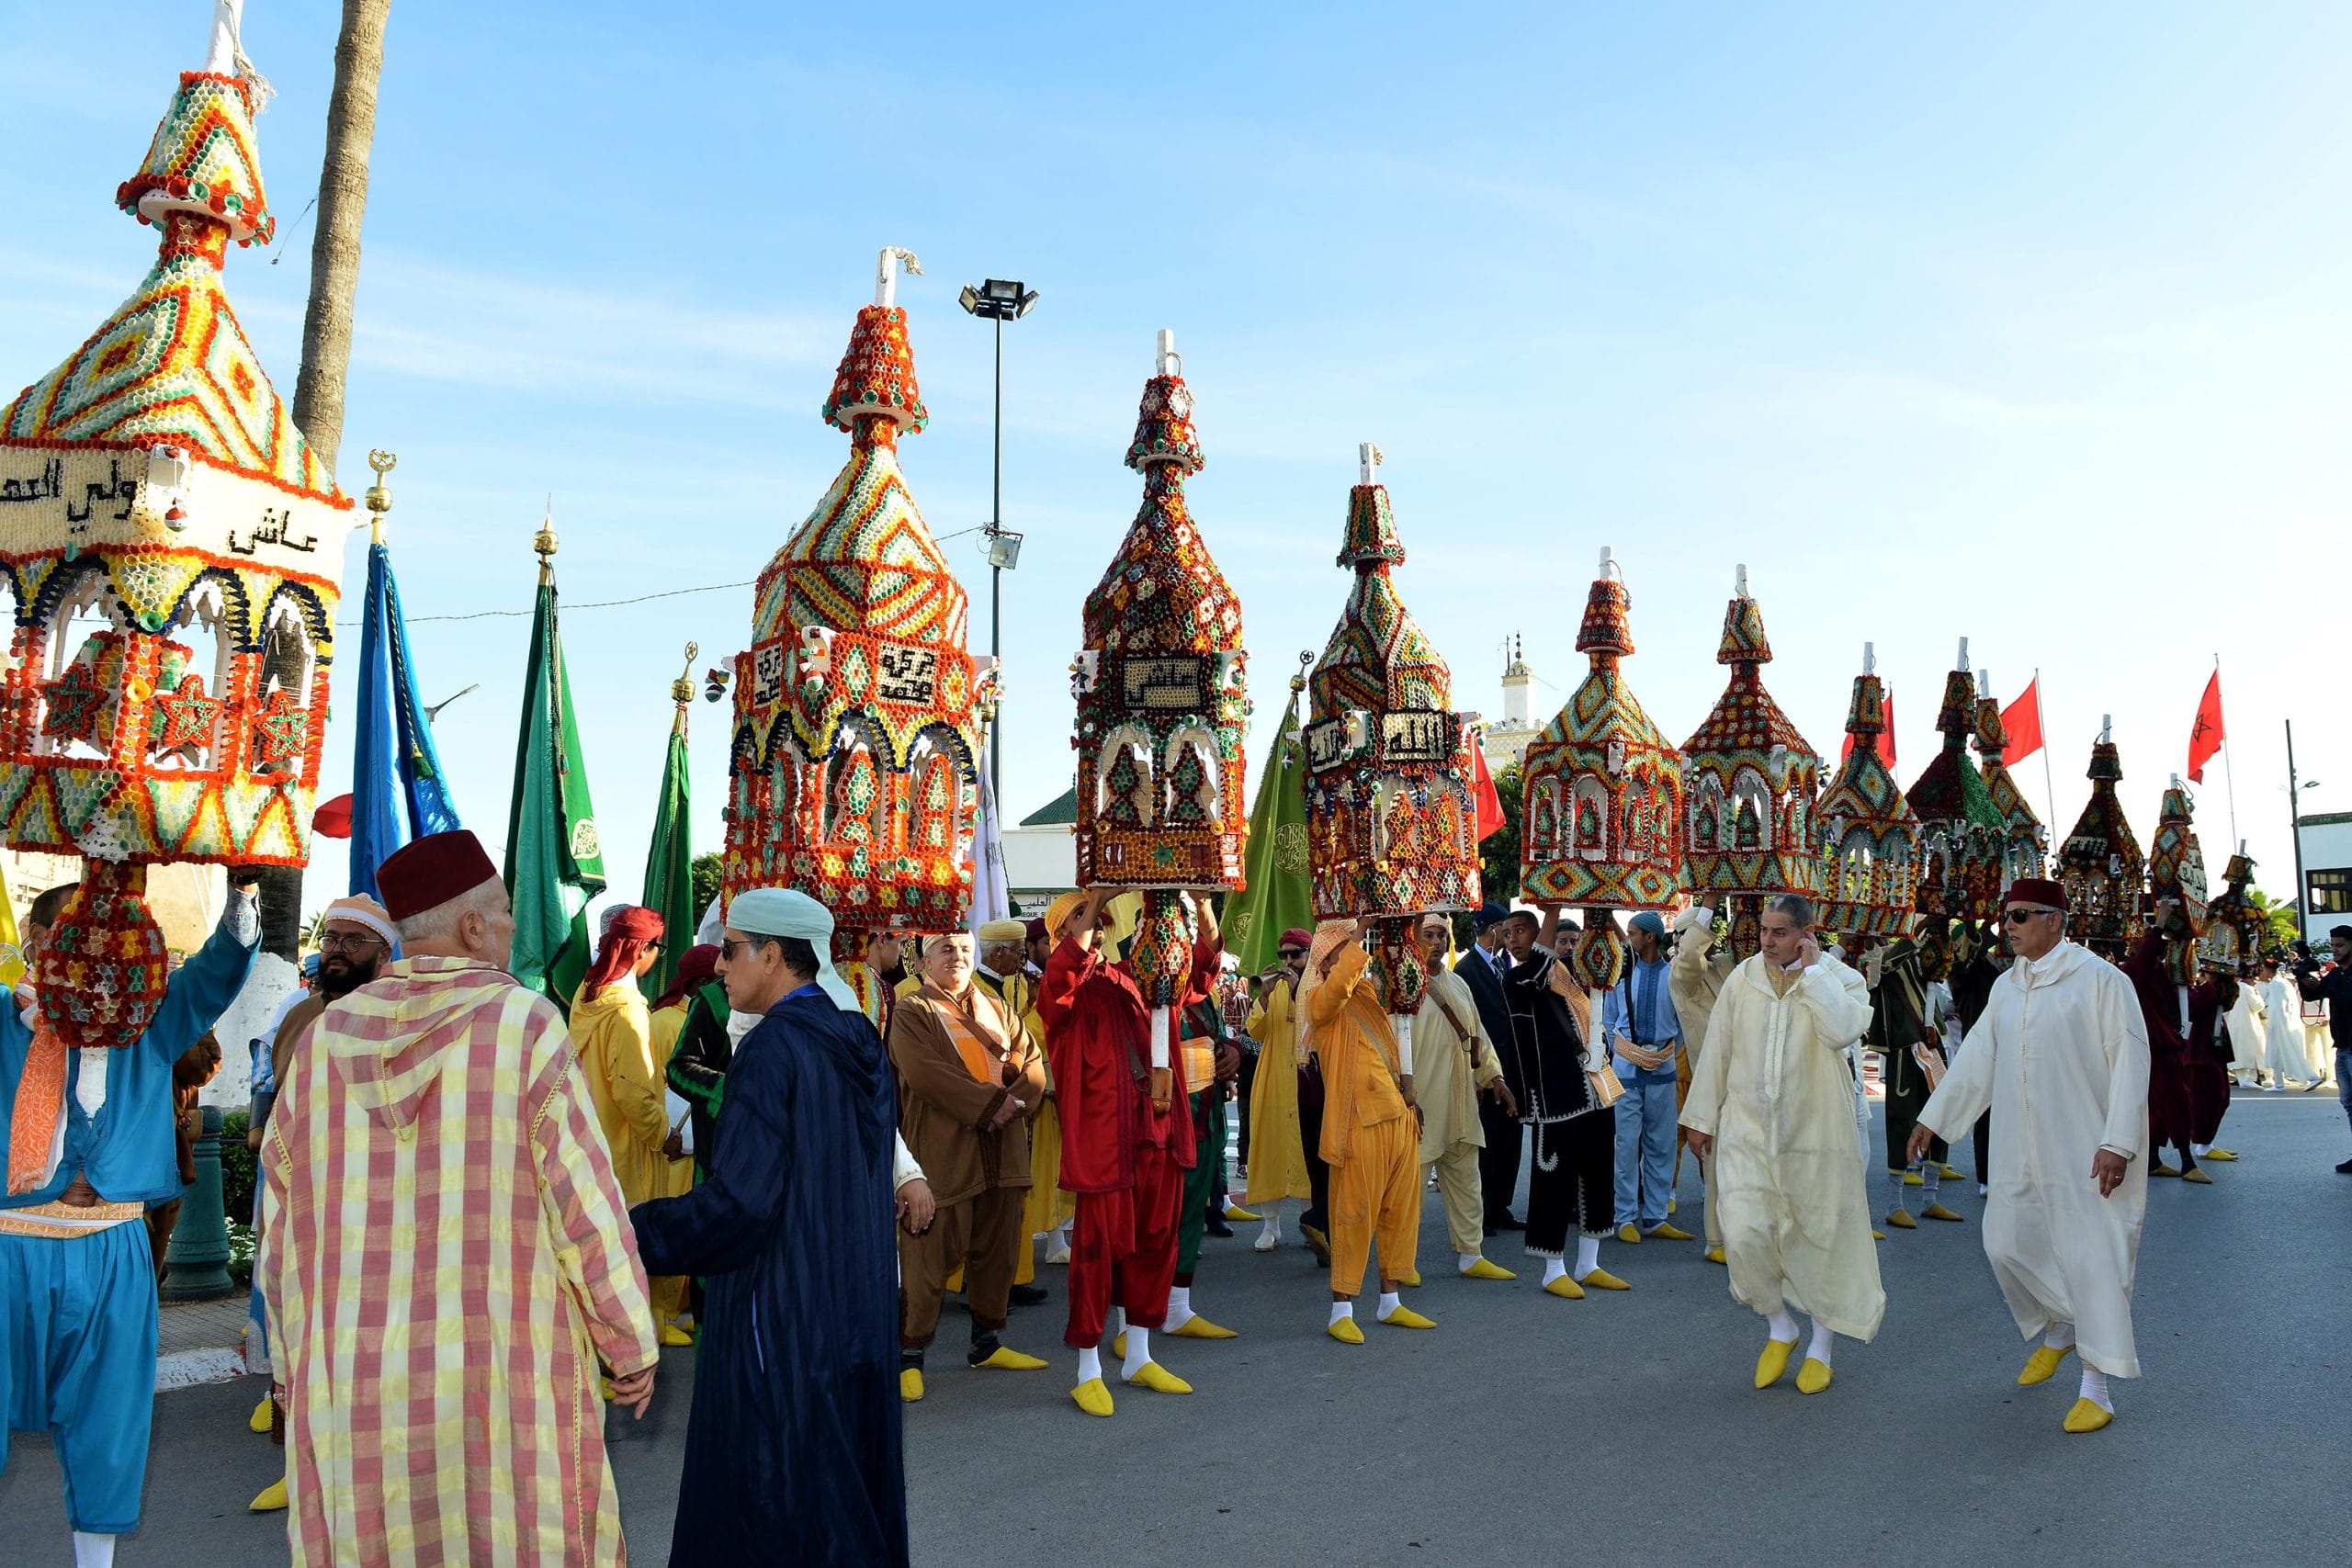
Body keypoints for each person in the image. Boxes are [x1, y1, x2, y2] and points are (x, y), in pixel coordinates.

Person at [258, 832, 658, 1565]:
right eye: (504, 913)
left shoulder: (322, 1043)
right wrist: (628, 1341)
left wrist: (289, 1369)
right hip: (503, 1381)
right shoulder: (524, 1026)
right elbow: (587, 1211)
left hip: (356, 1384)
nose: (511, 927)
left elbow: (277, 1230)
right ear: (473, 926)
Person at [632, 886, 910, 1563]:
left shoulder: (771, 1050)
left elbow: (740, 1207)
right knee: (843, 1500)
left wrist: (628, 1228)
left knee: (769, 1509)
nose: (721, 968)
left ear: (775, 954)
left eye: (731, 951)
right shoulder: (858, 1040)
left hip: (777, 1322)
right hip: (852, 1316)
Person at [3, 873, 259, 1568]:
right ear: (38, 949)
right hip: (10, 1252)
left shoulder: (151, 1022)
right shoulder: (4, 1017)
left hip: (113, 1251)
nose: (91, 963)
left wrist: (242, 899)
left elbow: (214, 973)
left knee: (110, 1419)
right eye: (69, 945)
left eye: (102, 947)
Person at [1911, 879, 2150, 1434]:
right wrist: (1933, 1118)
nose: (2008, 927)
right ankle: (2061, 1329)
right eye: (2006, 917)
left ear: (2055, 921)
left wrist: (2118, 1142)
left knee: (2092, 1263)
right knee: (2004, 1243)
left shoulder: (2101, 981)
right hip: (2019, 1148)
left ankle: (2097, 1388)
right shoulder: (2006, 988)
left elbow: (2131, 1065)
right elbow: (1975, 1060)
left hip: (2088, 1151)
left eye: (2020, 916)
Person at [1679, 894, 1881, 1395]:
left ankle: (1821, 1346)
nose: (1767, 941)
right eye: (1765, 931)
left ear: (1806, 935)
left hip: (1817, 1133)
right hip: (1747, 1131)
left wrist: (1814, 977)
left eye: (1780, 933)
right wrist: (1700, 1118)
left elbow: (1842, 1032)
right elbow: (1718, 1051)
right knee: (1744, 1232)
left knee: (1820, 1237)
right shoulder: (1742, 979)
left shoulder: (1842, 979)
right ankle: (1779, 1326)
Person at [1036, 887, 1219, 1416]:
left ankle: (1137, 1352)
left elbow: (1196, 980)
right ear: (1060, 935)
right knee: (1094, 1255)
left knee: (1155, 1243)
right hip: (1106, 1141)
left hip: (1159, 1131)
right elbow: (1060, 985)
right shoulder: (1063, 988)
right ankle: (1087, 1366)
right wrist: (1092, 902)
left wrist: (1202, 907)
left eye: (1101, 918)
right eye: (1083, 919)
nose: (1099, 924)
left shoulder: (1131, 978)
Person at [243, 895, 398, 1513]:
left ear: (384, 955)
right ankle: (301, 1469)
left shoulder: (397, 1018)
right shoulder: (300, 1013)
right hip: (296, 1206)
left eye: (352, 940)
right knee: (301, 1342)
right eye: (331, 937)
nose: (336, 948)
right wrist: (262, 1135)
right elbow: (267, 1087)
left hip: (370, 1218)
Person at [889, 929, 1052, 1398]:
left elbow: (1034, 1063)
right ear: (923, 961)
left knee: (998, 1249)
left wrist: (1013, 1102)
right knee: (927, 1254)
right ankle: (910, 1354)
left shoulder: (996, 1006)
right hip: (943, 1153)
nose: (957, 957)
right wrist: (990, 1105)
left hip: (1002, 1152)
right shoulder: (912, 1010)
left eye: (964, 949)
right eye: (945, 949)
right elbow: (925, 1073)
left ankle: (987, 1342)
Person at [1299, 919, 1435, 1339]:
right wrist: (1359, 933)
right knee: (1353, 1216)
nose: (1356, 953)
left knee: (1401, 1213)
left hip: (1397, 1114)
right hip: (1359, 1122)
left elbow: (1410, 974)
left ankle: (1390, 1300)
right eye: (1345, 948)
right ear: (1328, 958)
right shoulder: (1320, 1001)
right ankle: (1342, 1310)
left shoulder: (1372, 994)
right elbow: (1338, 986)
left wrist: (1408, 925)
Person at [572, 904, 696, 1347]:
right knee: (627, 1251)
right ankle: (621, 1353)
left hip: (591, 1138)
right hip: (627, 1151)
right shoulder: (626, 1011)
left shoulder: (586, 997)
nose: (659, 957)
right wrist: (666, 1136)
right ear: (640, 949)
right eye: (657, 948)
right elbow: (632, 1093)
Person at [1496, 908, 1627, 1297]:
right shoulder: (1516, 978)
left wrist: (1599, 910)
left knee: (1598, 1175)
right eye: (1507, 934)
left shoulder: (1572, 972)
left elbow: (1621, 957)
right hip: (1554, 1097)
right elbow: (1538, 965)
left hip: (1597, 1089)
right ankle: (1553, 1269)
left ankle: (1589, 1263)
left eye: (1520, 931)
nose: (1513, 939)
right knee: (1555, 1180)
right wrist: (1552, 907)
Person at [1412, 913, 1517, 1280]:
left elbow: (1478, 1038)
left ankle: (1471, 1254)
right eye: (1429, 934)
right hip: (1421, 1105)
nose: (1436, 941)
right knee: (1411, 1192)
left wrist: (1495, 1077)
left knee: (1468, 1180)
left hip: (1461, 1100)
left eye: (1442, 934)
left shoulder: (1458, 984)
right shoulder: (1400, 986)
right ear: (1414, 935)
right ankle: (1401, 1263)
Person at [976, 917, 1059, 1294]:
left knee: (1015, 1192)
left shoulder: (1020, 986)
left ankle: (1015, 1275)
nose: (1022, 959)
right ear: (998, 953)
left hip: (1020, 1100)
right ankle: (987, 1285)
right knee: (990, 1197)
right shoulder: (971, 991)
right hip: (988, 1103)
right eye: (1018, 952)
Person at [1859, 927, 1961, 1229]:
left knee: (1940, 1117)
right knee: (1902, 1121)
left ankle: (1930, 1198)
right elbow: (1879, 972)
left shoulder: (1921, 962)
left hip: (1933, 1045)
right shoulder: (1883, 958)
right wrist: (1912, 937)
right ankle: (1895, 1203)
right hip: (1905, 1052)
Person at [1601, 910, 1692, 1245]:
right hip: (1625, 1073)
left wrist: (1659, 1054)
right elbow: (1609, 1023)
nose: (1630, 938)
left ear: (1651, 937)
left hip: (1664, 1072)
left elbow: (1683, 1027)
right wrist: (1631, 1053)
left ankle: (1655, 1216)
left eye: (1634, 932)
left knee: (1662, 1145)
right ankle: (1623, 1216)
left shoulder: (1674, 977)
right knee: (1625, 1147)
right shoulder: (1621, 977)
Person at [1162, 987, 1243, 1339]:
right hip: (1166, 1120)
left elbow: (1217, 1037)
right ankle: (1133, 1318)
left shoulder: (1201, 995)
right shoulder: (1151, 987)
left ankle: (1177, 1307)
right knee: (1159, 1221)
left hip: (1205, 1117)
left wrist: (1232, 1052)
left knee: (1191, 1215)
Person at [1241, 928, 1314, 1251]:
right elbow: (1255, 1031)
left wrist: (1298, 989)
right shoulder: (1274, 986)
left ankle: (1312, 1225)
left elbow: (1317, 1023)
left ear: (1308, 954)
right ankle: (1270, 1226)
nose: (1287, 960)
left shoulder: (1317, 983)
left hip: (1306, 1080)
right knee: (1270, 1149)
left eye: (1294, 954)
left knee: (1306, 1151)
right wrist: (1264, 996)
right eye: (1283, 954)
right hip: (1272, 1081)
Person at [1670, 902, 1734, 1263]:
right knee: (1715, 1162)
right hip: (1709, 1080)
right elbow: (1691, 957)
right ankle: (1716, 1242)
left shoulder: (1723, 965)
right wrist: (1709, 904)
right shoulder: (1681, 973)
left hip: (1742, 1075)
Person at [1457, 904, 1522, 1235]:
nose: (1508, 935)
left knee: (1511, 1139)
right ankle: (1481, 1211)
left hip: (1513, 1067)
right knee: (1488, 1140)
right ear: (1488, 927)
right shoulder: (1466, 970)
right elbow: (1468, 1026)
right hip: (1485, 1068)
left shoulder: (1506, 964)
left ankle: (1501, 1206)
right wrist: (1475, 1074)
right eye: (1503, 927)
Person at [652, 942, 728, 1174]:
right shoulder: (678, 1021)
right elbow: (670, 1076)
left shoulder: (659, 1016)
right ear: (703, 984)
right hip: (679, 1137)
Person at [2255, 958, 2313, 1091]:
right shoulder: (2281, 982)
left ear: (2268, 970)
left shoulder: (2276, 984)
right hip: (2280, 1022)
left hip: (2279, 1023)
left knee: (2290, 1051)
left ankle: (2312, 1077)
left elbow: (2278, 1007)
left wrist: (2275, 1023)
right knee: (2276, 1053)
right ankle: (2279, 1083)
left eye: (2262, 969)